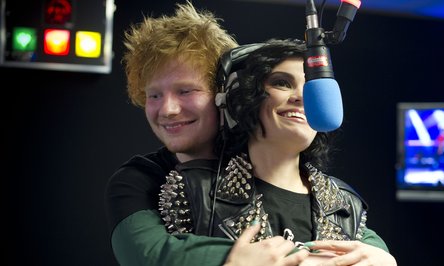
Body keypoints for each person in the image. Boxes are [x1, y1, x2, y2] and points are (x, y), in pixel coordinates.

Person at [158, 38, 397, 265]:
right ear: (241, 98)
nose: (302, 97)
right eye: (282, 83)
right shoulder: (193, 188)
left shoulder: (346, 204)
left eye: (312, 89)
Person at [105, 2, 308, 265]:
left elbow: (341, 216)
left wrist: (378, 254)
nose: (167, 109)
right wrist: (238, 258)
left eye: (186, 91)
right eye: (154, 95)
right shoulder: (136, 180)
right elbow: (148, 254)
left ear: (228, 95)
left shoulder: (267, 162)